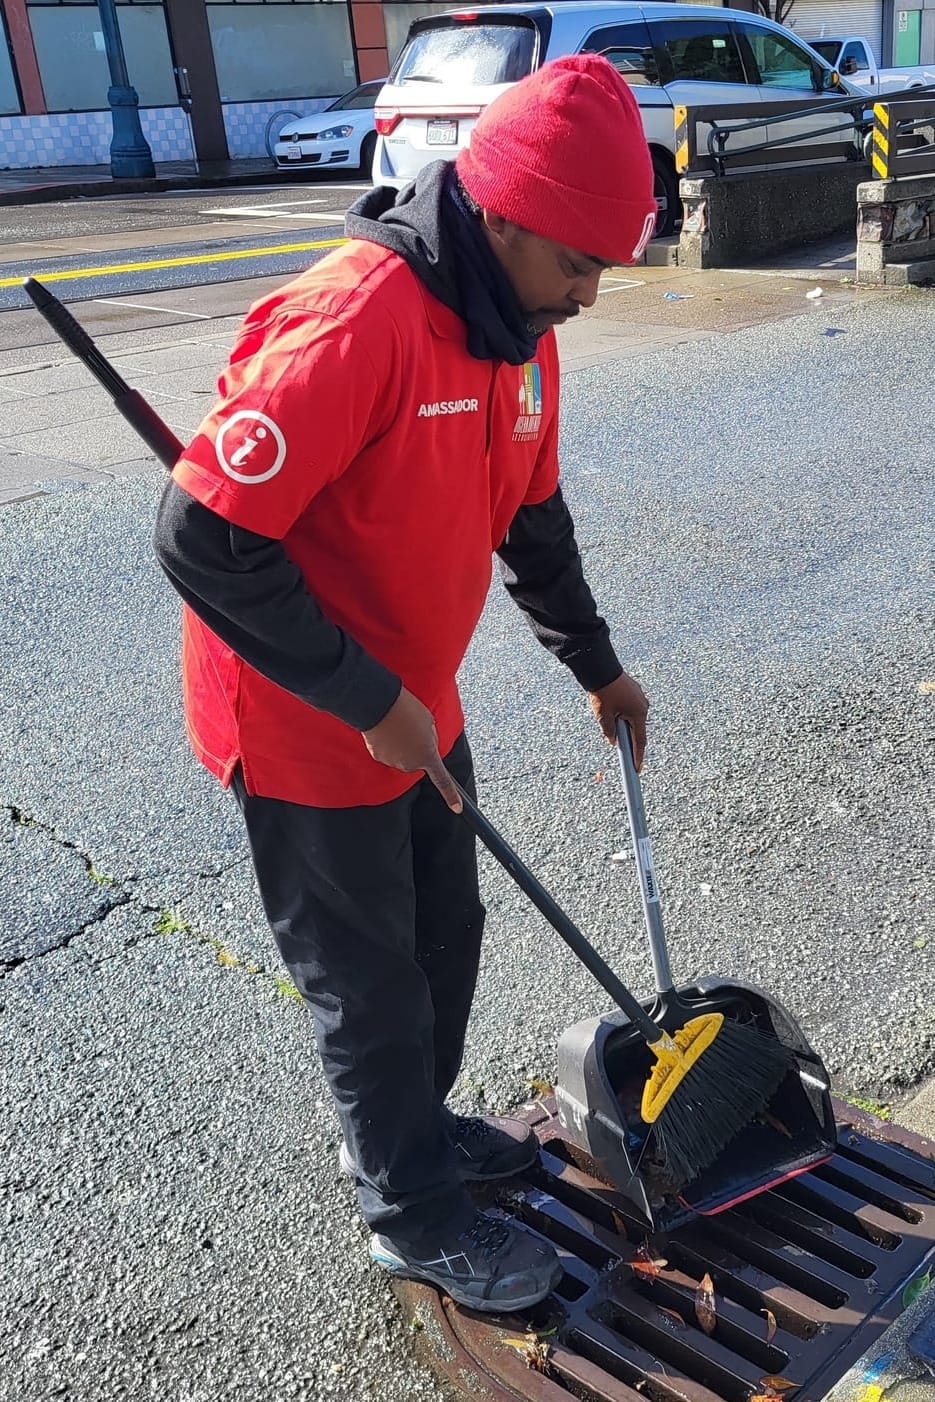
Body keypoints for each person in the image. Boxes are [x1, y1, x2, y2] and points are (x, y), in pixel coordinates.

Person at [153, 53, 655, 1314]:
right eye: (573, 265)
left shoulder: (520, 334)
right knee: (367, 977)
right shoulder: (357, 320)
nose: (588, 296)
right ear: (498, 213)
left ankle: (410, 1130)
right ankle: (406, 1207)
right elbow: (201, 534)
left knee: (446, 934)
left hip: (417, 701)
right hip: (308, 714)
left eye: (604, 268)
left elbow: (530, 522)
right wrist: (363, 699)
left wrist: (597, 667)